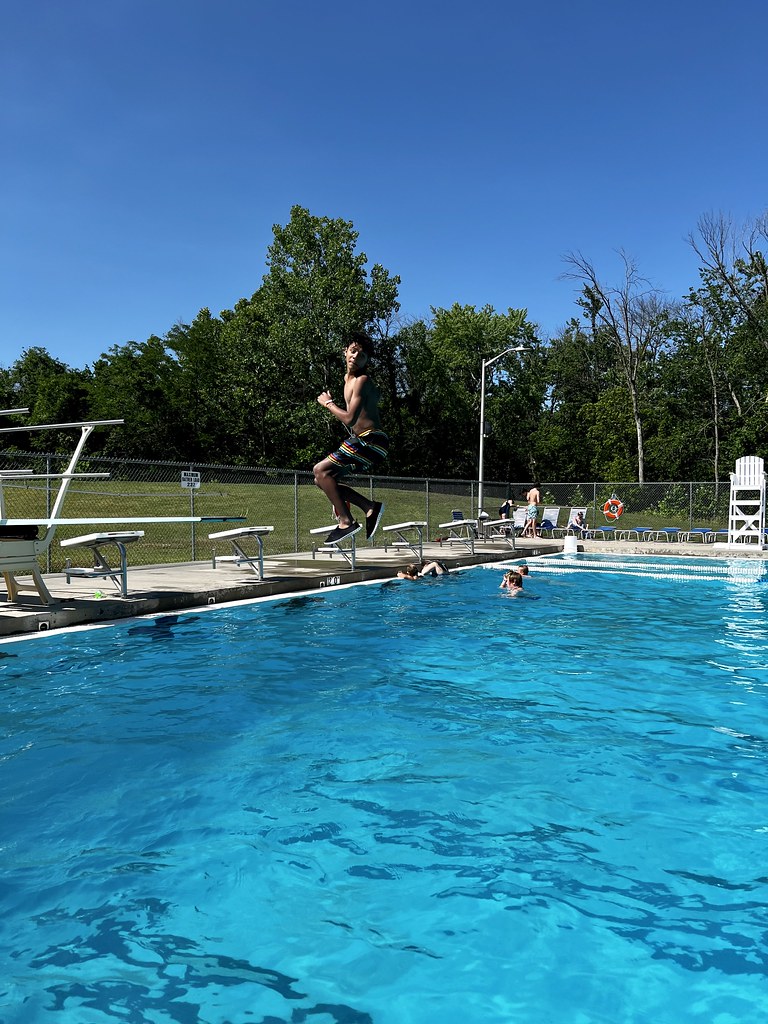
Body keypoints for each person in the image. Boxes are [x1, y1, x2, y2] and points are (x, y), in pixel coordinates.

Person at [314, 331, 387, 544]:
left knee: (319, 470)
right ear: (345, 351)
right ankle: (369, 507)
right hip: (367, 442)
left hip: (370, 441)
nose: (355, 356)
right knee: (324, 480)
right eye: (353, 351)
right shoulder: (348, 379)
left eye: (361, 355)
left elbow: (348, 418)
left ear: (366, 361)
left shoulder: (362, 380)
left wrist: (328, 403)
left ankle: (347, 522)